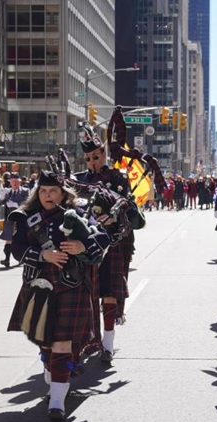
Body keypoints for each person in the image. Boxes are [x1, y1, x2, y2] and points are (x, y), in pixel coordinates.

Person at [7, 170, 109, 420]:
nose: (48, 195)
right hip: (38, 286)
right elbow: (17, 249)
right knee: (46, 342)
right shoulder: (25, 217)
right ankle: (52, 372)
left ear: (63, 194)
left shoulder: (78, 215)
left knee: (62, 342)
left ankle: (57, 401)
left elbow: (102, 240)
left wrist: (82, 245)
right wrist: (44, 255)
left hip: (70, 286)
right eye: (43, 191)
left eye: (53, 191)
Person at [73, 127, 137, 364]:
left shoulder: (118, 178)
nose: (92, 161)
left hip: (113, 242)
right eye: (88, 158)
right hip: (86, 245)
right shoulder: (78, 180)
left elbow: (131, 208)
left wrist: (114, 217)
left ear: (103, 153)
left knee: (109, 294)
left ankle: (108, 345)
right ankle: (91, 340)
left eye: (96, 156)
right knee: (88, 295)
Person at [0, 175, 29, 268]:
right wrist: (2, 196)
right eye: (12, 181)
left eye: (16, 181)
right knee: (8, 240)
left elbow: (28, 203)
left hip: (22, 218)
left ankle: (22, 259)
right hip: (10, 218)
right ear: (10, 182)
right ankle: (7, 260)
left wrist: (16, 205)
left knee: (22, 239)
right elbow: (0, 202)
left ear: (20, 181)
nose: (14, 183)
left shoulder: (25, 191)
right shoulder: (8, 192)